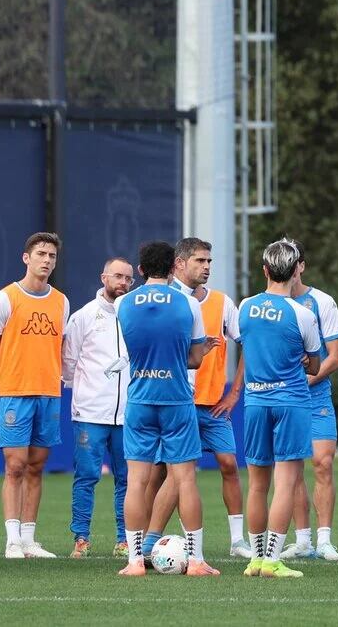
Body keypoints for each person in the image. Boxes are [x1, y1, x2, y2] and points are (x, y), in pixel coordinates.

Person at [117, 240, 217, 577]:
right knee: (185, 479)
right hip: (176, 397)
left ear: (141, 269)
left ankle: (134, 562)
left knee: (136, 481)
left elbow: (129, 349)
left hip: (140, 398)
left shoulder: (123, 304)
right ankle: (197, 561)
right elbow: (193, 358)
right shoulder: (188, 304)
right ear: (174, 266)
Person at [234, 239, 323, 578]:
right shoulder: (303, 313)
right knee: (286, 482)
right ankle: (272, 560)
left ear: (266, 270)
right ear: (295, 269)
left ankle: (256, 559)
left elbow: (246, 344)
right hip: (291, 402)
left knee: (257, 483)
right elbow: (315, 365)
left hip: (255, 400)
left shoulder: (245, 306)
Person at [0, 232, 70, 559]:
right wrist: (1, 379)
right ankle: (12, 540)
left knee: (37, 465)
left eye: (52, 256)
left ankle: (30, 540)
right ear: (26, 258)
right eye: (41, 254)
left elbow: (59, 347)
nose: (47, 260)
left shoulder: (61, 301)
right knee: (14, 465)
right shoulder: (5, 299)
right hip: (15, 392)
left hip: (48, 391)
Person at [169, 238, 248, 558]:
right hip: (178, 402)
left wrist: (234, 394)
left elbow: (248, 345)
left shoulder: (222, 302)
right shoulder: (169, 301)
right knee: (169, 475)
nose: (206, 267)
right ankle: (158, 540)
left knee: (229, 464)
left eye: (209, 261)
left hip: (214, 404)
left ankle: (237, 540)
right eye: (200, 261)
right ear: (180, 264)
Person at [64, 257, 134, 558]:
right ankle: (81, 537)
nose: (123, 283)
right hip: (91, 413)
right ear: (103, 277)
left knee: (127, 478)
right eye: (118, 276)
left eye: (129, 279)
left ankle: (125, 538)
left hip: (128, 413)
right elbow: (68, 362)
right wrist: (86, 391)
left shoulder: (135, 315)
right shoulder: (84, 316)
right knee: (87, 476)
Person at [283, 241, 338, 562]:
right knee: (292, 469)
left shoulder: (321, 302)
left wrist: (304, 381)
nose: (290, 267)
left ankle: (324, 540)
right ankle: (302, 540)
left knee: (322, 463)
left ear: (302, 266)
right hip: (283, 398)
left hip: (315, 395)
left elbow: (335, 357)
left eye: (293, 261)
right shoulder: (268, 304)